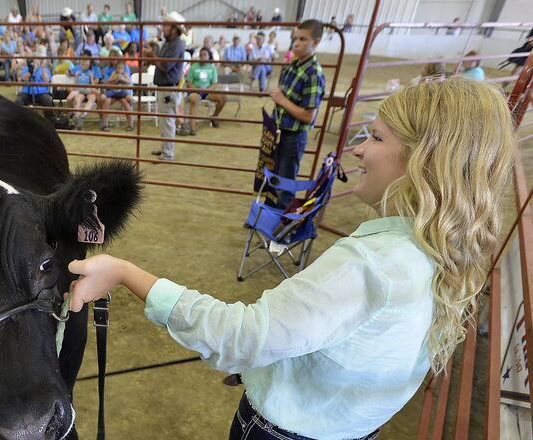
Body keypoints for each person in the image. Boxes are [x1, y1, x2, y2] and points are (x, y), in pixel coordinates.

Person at [66, 77, 516, 440]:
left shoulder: (370, 263)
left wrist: (125, 271)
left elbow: (242, 337)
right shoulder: (442, 247)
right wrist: (274, 367)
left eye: (375, 137)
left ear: (423, 160)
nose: (358, 149)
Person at [267, 19, 325, 209]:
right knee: (273, 175)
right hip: (278, 130)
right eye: (295, 38)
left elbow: (309, 116)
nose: (296, 43)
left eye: (303, 39)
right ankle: (270, 215)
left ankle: (283, 228)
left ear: (315, 43)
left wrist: (282, 100)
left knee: (285, 181)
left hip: (293, 136)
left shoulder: (313, 74)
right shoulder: (293, 65)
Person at [147, 12, 187, 161]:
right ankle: (165, 149)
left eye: (166, 25)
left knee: (168, 120)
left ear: (175, 29)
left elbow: (165, 65)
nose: (163, 28)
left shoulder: (177, 44)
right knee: (165, 120)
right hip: (165, 86)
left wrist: (152, 57)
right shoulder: (170, 43)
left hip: (169, 87)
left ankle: (168, 153)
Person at [181, 48, 225, 135]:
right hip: (195, 90)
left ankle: (214, 116)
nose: (202, 57)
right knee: (194, 99)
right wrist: (197, 89)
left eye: (205, 55)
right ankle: (193, 128)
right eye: (201, 55)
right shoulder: (193, 67)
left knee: (223, 98)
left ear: (209, 57)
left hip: (208, 91)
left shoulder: (212, 68)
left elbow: (215, 83)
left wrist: (208, 90)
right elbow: (189, 83)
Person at [99, 59, 134, 131]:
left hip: (122, 93)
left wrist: (123, 79)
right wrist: (114, 79)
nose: (119, 70)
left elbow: (129, 82)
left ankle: (131, 124)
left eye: (121, 68)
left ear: (123, 69)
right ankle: (104, 124)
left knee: (126, 101)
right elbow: (108, 81)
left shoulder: (124, 74)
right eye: (118, 68)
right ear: (115, 68)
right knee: (105, 100)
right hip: (113, 92)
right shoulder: (113, 73)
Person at [66, 55, 100, 130]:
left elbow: (93, 85)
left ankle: (83, 115)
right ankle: (78, 119)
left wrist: (91, 78)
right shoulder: (78, 71)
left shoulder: (90, 72)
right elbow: (75, 84)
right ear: (81, 63)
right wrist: (75, 77)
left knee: (92, 97)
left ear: (89, 64)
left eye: (86, 64)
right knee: (77, 100)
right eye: (83, 63)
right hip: (80, 91)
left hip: (88, 90)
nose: (84, 65)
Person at [15, 55, 54, 120]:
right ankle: (19, 120)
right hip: (27, 92)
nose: (35, 62)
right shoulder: (26, 69)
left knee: (48, 101)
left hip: (41, 92)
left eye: (37, 60)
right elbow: (20, 81)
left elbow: (47, 81)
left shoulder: (44, 69)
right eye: (34, 60)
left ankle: (49, 121)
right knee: (18, 101)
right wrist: (25, 76)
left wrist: (42, 69)